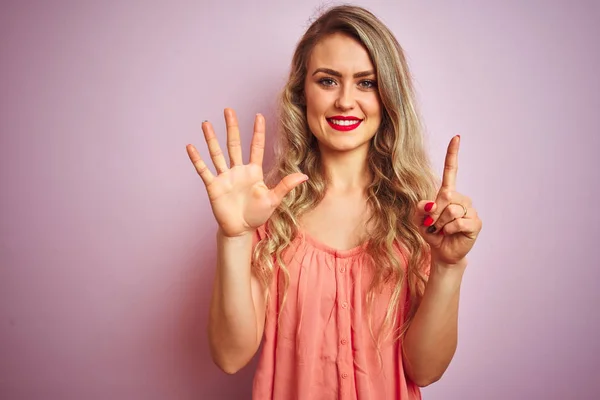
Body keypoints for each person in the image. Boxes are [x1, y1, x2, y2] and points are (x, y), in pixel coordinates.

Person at [186, 4, 482, 399]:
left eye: (366, 83)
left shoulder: (421, 221)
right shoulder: (267, 215)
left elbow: (425, 371)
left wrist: (448, 265)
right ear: (302, 92)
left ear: (388, 96)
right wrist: (235, 236)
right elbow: (230, 356)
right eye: (327, 81)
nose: (345, 101)